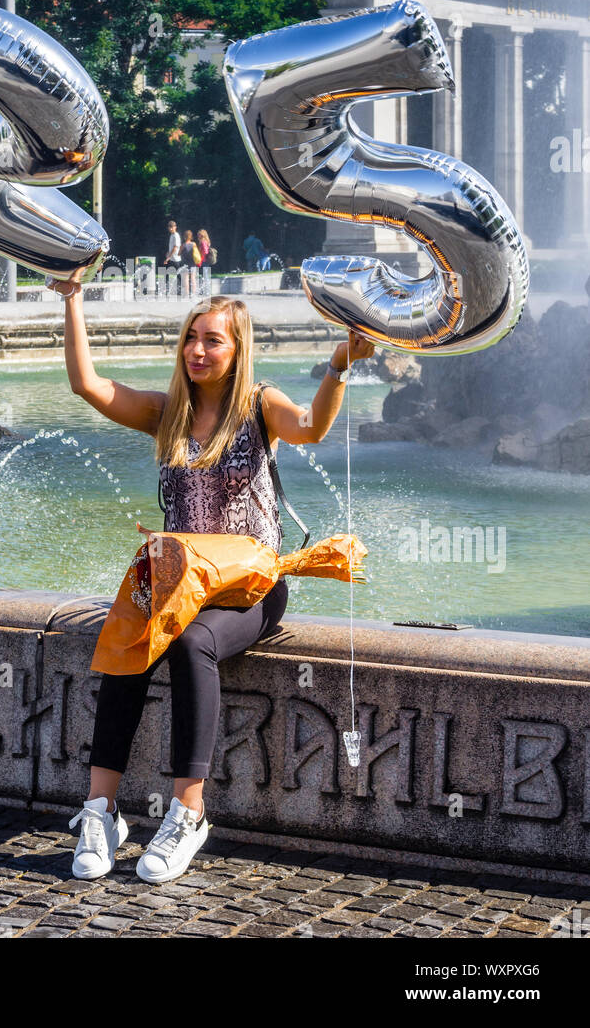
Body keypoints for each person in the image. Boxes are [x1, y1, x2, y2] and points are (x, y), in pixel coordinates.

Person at [44, 275, 375, 884]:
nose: (198, 350)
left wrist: (338, 365)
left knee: (192, 641)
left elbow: (311, 427)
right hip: (180, 585)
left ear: (237, 349)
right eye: (191, 338)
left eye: (213, 341)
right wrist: (71, 298)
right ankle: (101, 811)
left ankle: (187, 815)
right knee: (130, 636)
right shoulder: (167, 412)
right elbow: (86, 385)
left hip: (251, 588)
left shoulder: (259, 405)